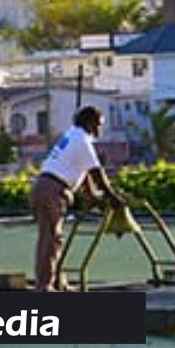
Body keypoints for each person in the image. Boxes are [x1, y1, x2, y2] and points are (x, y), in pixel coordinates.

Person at [30, 105, 126, 291]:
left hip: (45, 188)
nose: (100, 129)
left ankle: (57, 282)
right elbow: (97, 173)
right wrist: (112, 197)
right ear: (90, 123)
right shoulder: (82, 140)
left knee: (54, 238)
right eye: (99, 125)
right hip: (53, 191)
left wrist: (92, 196)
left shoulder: (72, 135)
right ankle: (44, 287)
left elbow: (85, 173)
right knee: (50, 240)